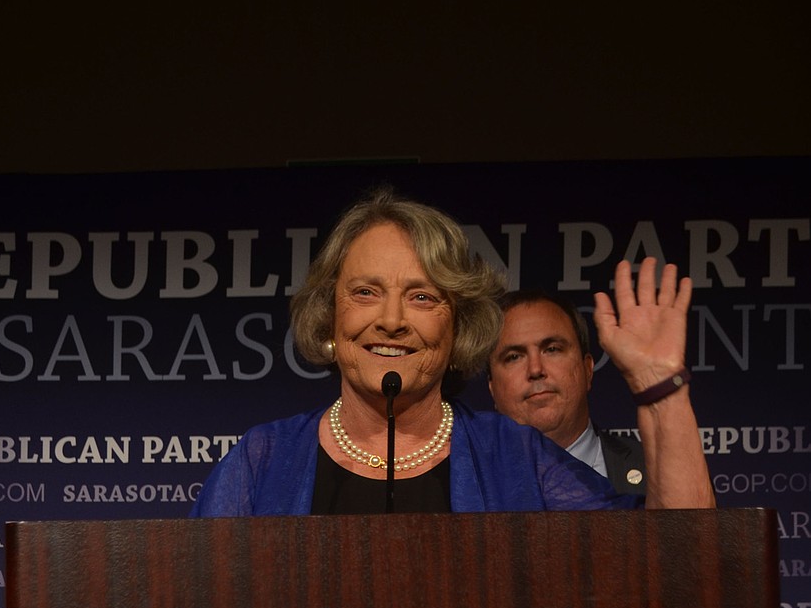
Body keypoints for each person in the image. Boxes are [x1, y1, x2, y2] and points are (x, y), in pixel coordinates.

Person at [190, 187, 715, 517]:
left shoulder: (513, 456)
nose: (391, 321)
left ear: (458, 325)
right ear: (330, 315)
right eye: (365, 292)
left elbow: (674, 569)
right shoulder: (264, 459)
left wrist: (660, 386)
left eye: (422, 297)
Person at [487, 290, 648, 495]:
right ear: (491, 388)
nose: (536, 369)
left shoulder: (654, 469)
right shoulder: (465, 484)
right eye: (514, 357)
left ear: (587, 370)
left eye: (552, 349)